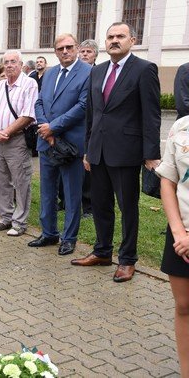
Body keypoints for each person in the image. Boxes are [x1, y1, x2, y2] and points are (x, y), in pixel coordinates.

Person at [72, 22, 161, 283]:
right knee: (100, 205)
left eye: (120, 36)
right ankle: (102, 252)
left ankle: (127, 259)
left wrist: (151, 153)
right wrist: (87, 150)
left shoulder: (144, 69)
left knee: (127, 208)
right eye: (110, 36)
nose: (114, 40)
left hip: (126, 152)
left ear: (132, 40)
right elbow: (92, 114)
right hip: (98, 151)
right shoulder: (97, 71)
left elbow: (152, 115)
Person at [30, 34, 91, 256]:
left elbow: (83, 106)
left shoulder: (88, 72)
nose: (65, 51)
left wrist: (53, 128)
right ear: (55, 51)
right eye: (60, 48)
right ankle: (49, 233)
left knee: (72, 194)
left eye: (69, 47)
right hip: (46, 142)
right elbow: (39, 102)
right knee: (47, 191)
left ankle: (69, 238)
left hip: (70, 145)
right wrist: (44, 127)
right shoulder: (50, 72)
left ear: (77, 48)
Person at [0, 50, 39, 235]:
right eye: (6, 62)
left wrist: (6, 132)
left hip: (16, 140)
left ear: (21, 64)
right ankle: (5, 217)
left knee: (21, 180)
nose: (9, 65)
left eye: (13, 62)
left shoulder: (29, 84)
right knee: (0, 180)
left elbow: (28, 114)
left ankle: (19, 222)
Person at [155, 119, 189, 378]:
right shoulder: (181, 127)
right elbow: (168, 181)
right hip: (181, 236)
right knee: (184, 306)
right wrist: (178, 231)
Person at [78, 40, 99, 217]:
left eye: (89, 51)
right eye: (83, 51)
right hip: (74, 125)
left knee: (88, 168)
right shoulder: (74, 72)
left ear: (95, 55)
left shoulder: (99, 72)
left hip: (91, 126)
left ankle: (88, 206)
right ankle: (66, 200)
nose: (85, 54)